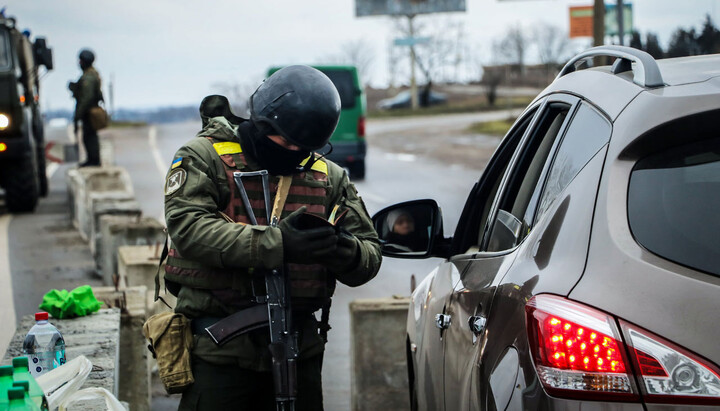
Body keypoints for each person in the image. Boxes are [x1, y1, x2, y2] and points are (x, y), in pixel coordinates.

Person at [163, 65, 382, 410]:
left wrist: (341, 249)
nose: (293, 151)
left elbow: (370, 255)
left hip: (301, 350)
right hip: (222, 353)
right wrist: (279, 245)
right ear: (262, 123)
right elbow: (189, 228)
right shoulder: (204, 158)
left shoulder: (327, 176)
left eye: (303, 146)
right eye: (286, 140)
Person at [68, 49, 102, 167]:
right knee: (88, 135)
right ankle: (92, 159)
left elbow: (86, 97)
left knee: (89, 136)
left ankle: (93, 160)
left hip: (89, 110)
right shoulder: (90, 74)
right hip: (89, 109)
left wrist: (79, 113)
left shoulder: (89, 77)